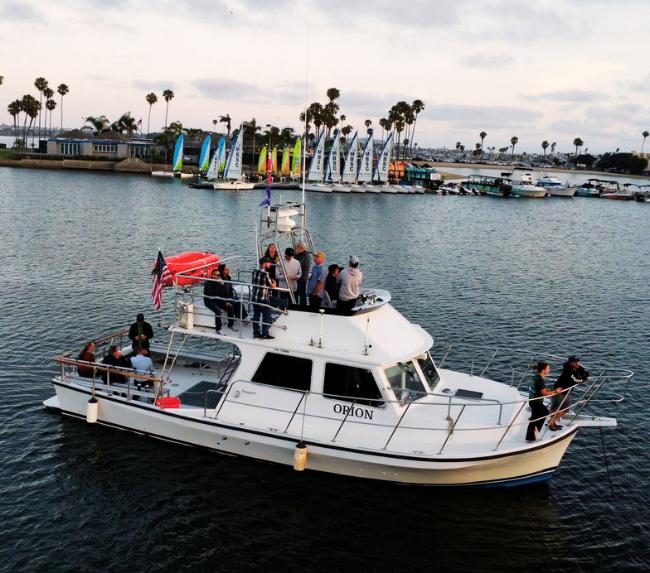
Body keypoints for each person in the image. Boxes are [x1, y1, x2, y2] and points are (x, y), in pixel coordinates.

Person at [549, 355, 589, 429]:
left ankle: (551, 420)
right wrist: (582, 380)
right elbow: (574, 380)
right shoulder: (567, 370)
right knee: (555, 408)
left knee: (565, 409)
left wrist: (584, 377)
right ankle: (552, 423)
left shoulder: (579, 368)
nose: (577, 363)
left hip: (568, 390)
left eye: (577, 361)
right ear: (570, 362)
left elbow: (586, 374)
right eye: (574, 362)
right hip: (559, 390)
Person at [525, 362, 556, 442]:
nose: (549, 370)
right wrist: (556, 391)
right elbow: (544, 393)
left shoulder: (535, 376)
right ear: (543, 370)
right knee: (544, 412)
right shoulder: (540, 380)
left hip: (532, 401)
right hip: (536, 402)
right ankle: (534, 433)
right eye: (548, 368)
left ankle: (530, 437)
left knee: (534, 418)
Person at [218, 264, 249, 329]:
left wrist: (231, 297)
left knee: (238, 301)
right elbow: (220, 293)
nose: (228, 270)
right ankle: (230, 325)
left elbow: (230, 289)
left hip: (229, 297)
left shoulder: (228, 277)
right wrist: (226, 301)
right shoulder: (220, 280)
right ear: (223, 271)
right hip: (222, 300)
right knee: (231, 306)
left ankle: (244, 318)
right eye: (226, 269)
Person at [251, 257, 276, 339]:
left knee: (256, 316)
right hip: (263, 299)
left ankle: (255, 333)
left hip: (255, 298)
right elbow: (272, 286)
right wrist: (274, 282)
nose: (270, 264)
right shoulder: (266, 274)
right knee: (267, 317)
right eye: (268, 263)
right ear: (264, 264)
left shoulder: (254, 272)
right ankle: (264, 334)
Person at [204, 269, 226, 334]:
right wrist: (218, 284)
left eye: (220, 275)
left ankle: (231, 324)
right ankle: (218, 329)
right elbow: (211, 293)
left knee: (230, 304)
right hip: (209, 300)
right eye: (217, 275)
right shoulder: (208, 283)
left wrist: (222, 285)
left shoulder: (218, 282)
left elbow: (222, 292)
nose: (219, 277)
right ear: (212, 275)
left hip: (217, 299)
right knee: (218, 311)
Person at [294, 242, 312, 308]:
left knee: (302, 294)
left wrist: (300, 277)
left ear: (301, 248)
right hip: (296, 278)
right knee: (295, 292)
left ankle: (303, 307)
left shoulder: (307, 256)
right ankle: (295, 305)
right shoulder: (297, 255)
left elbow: (306, 269)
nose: (296, 249)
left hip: (302, 279)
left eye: (297, 248)